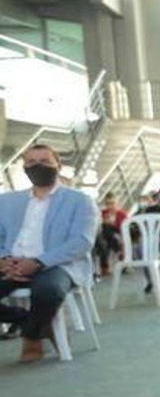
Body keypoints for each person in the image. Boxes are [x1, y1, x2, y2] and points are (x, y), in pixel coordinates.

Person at [0, 144, 96, 363]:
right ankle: (35, 325)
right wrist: (3, 260)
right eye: (31, 162)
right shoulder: (7, 201)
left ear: (58, 166)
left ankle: (32, 336)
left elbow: (82, 241)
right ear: (24, 167)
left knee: (47, 292)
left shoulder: (79, 200)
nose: (37, 166)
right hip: (12, 263)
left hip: (57, 264)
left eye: (44, 161)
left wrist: (38, 262)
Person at [95, 192, 127, 278]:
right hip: (107, 237)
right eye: (107, 204)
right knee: (103, 231)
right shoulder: (102, 213)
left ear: (117, 203)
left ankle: (104, 266)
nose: (109, 206)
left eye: (112, 203)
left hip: (118, 235)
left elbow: (125, 230)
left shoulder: (122, 214)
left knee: (106, 230)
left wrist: (113, 224)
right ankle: (118, 250)